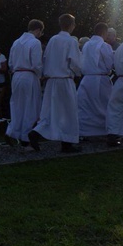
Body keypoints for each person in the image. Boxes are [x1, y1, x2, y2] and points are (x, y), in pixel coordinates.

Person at [29, 14, 82, 153]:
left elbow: (45, 58)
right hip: (65, 79)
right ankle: (67, 143)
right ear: (71, 25)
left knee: (49, 110)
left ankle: (36, 132)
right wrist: (77, 73)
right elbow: (75, 62)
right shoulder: (71, 41)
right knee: (69, 112)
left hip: (51, 80)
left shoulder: (53, 40)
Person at [6, 19, 44, 147]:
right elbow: (36, 64)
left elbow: (10, 63)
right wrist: (40, 75)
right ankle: (26, 138)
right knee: (30, 106)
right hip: (29, 75)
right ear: (38, 30)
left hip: (16, 75)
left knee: (17, 105)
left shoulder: (16, 42)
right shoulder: (35, 42)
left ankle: (12, 131)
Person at [77, 23, 114, 138]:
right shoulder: (104, 46)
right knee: (104, 105)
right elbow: (109, 63)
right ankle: (106, 130)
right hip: (100, 79)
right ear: (104, 32)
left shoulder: (86, 44)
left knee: (86, 106)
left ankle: (84, 132)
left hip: (86, 79)